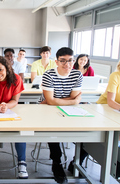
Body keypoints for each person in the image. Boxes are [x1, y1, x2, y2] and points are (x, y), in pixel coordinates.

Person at [40, 47, 82, 184]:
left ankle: (77, 161)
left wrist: (55, 100)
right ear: (56, 62)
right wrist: (71, 100)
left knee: (88, 131)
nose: (67, 64)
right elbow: (52, 101)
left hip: (70, 110)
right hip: (48, 110)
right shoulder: (49, 74)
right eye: (63, 61)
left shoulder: (77, 75)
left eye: (70, 61)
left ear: (74, 61)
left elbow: (70, 98)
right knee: (53, 132)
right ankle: (56, 163)